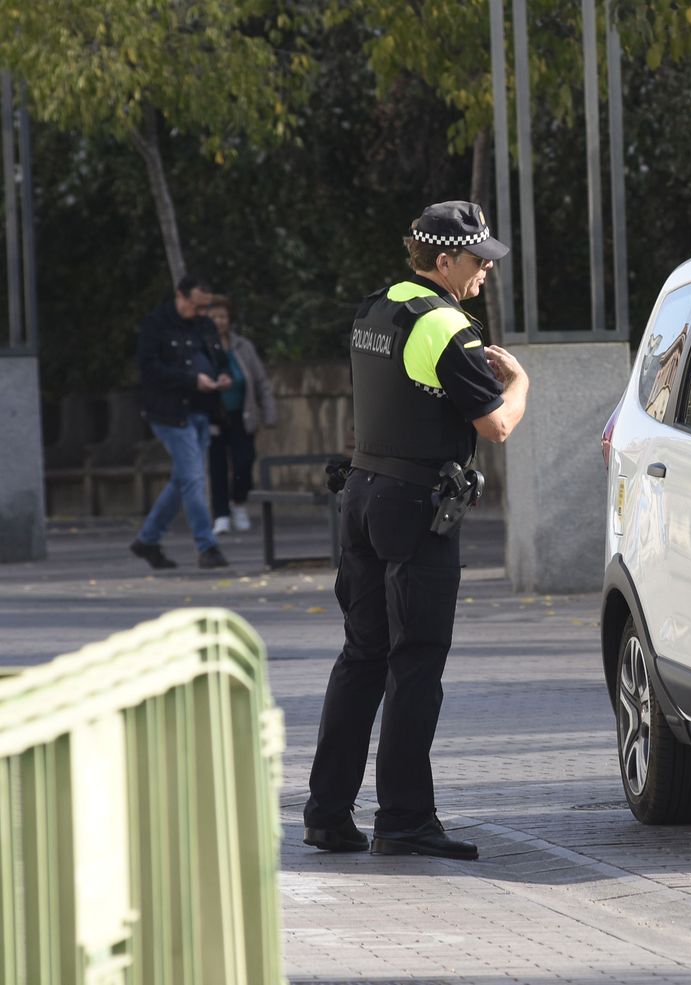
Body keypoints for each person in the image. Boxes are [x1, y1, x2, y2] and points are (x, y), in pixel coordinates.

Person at [303, 201, 528, 860]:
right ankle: (403, 819)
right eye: (478, 260)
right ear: (444, 260)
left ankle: (326, 813)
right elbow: (497, 424)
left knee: (362, 656)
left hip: (362, 497)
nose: (486, 270)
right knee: (416, 661)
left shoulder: (376, 310)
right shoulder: (444, 324)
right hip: (416, 508)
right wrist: (520, 383)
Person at [130, 272, 231, 570]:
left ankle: (148, 539)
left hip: (202, 410)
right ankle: (207, 545)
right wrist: (191, 379)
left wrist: (222, 375)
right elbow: (149, 369)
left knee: (184, 479)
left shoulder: (205, 325)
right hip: (170, 413)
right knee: (195, 478)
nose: (200, 313)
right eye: (196, 306)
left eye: (205, 307)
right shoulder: (156, 324)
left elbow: (220, 359)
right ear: (180, 296)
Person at [206, 294, 278, 534]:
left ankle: (238, 503)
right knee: (217, 466)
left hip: (242, 414)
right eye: (213, 317)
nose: (218, 321)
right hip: (214, 417)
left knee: (244, 462)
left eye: (222, 316)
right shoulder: (202, 347)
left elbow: (260, 381)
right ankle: (221, 515)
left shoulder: (243, 346)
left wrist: (269, 412)